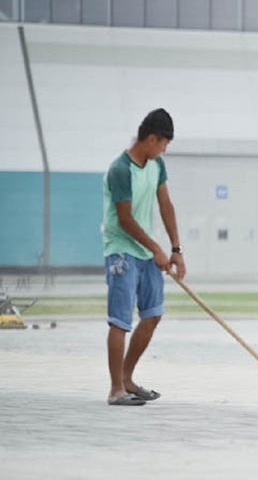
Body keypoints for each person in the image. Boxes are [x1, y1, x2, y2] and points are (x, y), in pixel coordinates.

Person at [102, 108, 186, 406]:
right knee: (120, 321)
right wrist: (156, 248)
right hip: (122, 253)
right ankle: (115, 390)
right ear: (151, 138)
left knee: (153, 315)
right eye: (163, 143)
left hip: (147, 253)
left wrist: (175, 250)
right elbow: (125, 219)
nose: (164, 149)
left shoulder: (156, 165)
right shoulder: (120, 170)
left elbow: (165, 205)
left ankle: (127, 379)